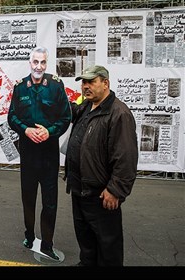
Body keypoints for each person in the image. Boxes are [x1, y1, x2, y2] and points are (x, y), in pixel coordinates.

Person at [65, 65, 138, 266]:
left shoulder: (119, 113)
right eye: (83, 83)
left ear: (105, 83)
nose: (85, 87)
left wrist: (115, 190)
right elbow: (68, 111)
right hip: (80, 190)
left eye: (91, 82)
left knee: (108, 248)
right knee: (86, 243)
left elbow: (126, 158)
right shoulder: (87, 107)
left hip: (101, 195)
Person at [7, 46, 71, 262]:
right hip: (28, 153)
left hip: (49, 154)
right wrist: (25, 129)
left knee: (50, 201)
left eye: (43, 62)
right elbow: (12, 117)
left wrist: (49, 131)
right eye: (35, 62)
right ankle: (29, 235)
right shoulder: (20, 87)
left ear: (46, 63)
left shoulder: (55, 86)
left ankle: (48, 244)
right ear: (29, 63)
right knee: (28, 198)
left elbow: (65, 117)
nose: (39, 67)